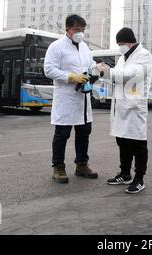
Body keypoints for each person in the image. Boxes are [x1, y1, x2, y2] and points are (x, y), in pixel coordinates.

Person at [44, 14, 103, 183]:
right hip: (66, 98)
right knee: (62, 134)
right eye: (77, 29)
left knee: (84, 133)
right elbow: (48, 70)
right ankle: (58, 167)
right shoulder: (56, 47)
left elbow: (89, 65)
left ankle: (81, 165)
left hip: (83, 99)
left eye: (83, 30)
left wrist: (96, 69)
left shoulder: (85, 47)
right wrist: (71, 77)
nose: (80, 33)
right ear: (68, 29)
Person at [100, 28, 152, 194]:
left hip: (134, 106)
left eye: (121, 43)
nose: (120, 47)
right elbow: (116, 77)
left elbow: (131, 74)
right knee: (122, 141)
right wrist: (103, 73)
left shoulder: (144, 55)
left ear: (129, 42)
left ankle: (139, 178)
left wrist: (109, 71)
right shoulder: (124, 57)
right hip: (121, 106)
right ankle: (125, 174)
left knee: (137, 143)